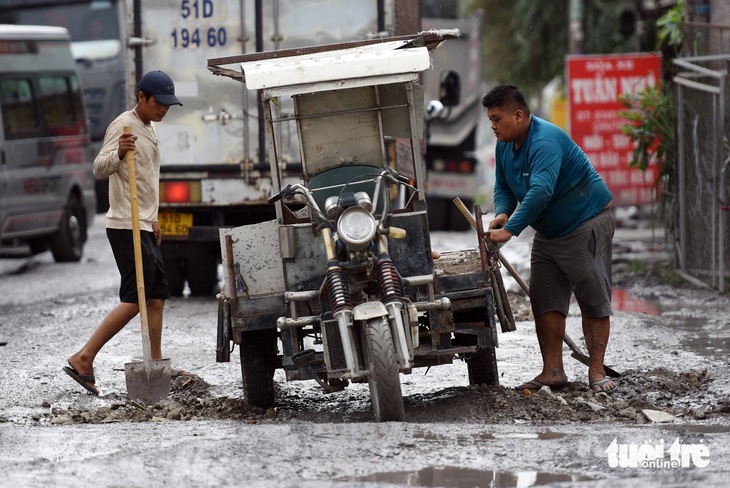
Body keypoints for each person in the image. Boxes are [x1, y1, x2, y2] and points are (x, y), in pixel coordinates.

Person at [482, 84, 617, 393]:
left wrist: (510, 230)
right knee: (545, 298)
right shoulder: (504, 144)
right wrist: (503, 213)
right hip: (550, 232)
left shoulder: (545, 141)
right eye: (490, 119)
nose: (492, 126)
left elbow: (540, 191)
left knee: (592, 294)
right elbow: (503, 186)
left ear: (518, 115)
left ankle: (597, 372)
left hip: (586, 221)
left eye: (496, 119)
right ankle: (553, 371)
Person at [63, 71, 183, 395]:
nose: (164, 110)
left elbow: (146, 180)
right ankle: (84, 357)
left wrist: (154, 217)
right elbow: (98, 168)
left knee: (157, 296)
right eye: (160, 103)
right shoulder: (123, 125)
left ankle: (156, 364)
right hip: (124, 224)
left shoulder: (149, 128)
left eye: (168, 105)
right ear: (142, 97)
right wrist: (117, 152)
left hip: (144, 223)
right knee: (136, 298)